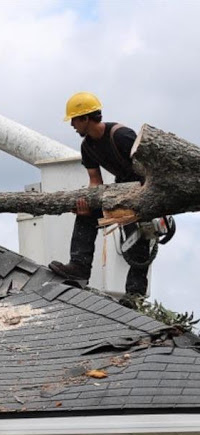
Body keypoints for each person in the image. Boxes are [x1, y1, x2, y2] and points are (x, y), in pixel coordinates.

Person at [48, 92, 150, 308]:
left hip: (144, 190)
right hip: (120, 190)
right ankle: (79, 266)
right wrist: (88, 202)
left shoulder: (121, 136)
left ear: (85, 118)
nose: (72, 125)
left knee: (139, 240)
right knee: (86, 214)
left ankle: (135, 295)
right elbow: (95, 182)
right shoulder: (87, 147)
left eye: (74, 120)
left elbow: (149, 169)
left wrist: (149, 201)